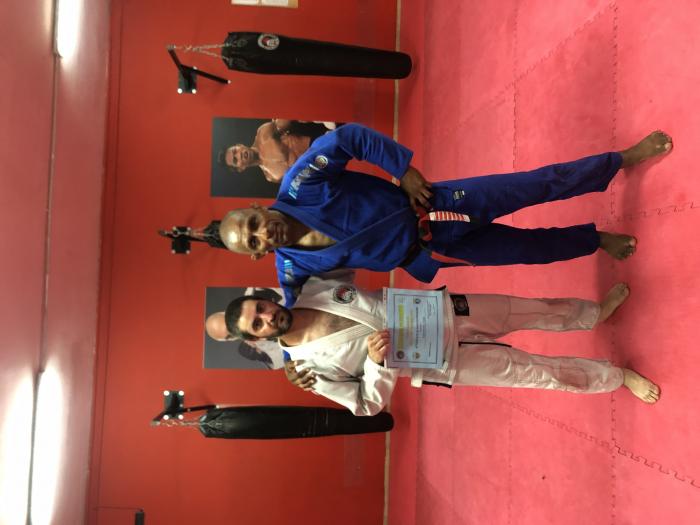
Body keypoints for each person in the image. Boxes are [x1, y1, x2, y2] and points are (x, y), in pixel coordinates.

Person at [217, 124, 673, 306]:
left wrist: (404, 170)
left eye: (253, 223)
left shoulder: (299, 185)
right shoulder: (291, 268)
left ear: (257, 207)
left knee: (536, 184)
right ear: (258, 255)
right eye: (254, 242)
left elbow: (348, 138)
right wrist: (290, 357)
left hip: (432, 202)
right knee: (527, 250)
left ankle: (619, 160)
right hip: (431, 251)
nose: (263, 233)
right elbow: (289, 309)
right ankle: (594, 240)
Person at [224, 274, 660, 416]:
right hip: (439, 362)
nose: (267, 317)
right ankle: (615, 377)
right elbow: (366, 405)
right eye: (257, 325)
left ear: (265, 298)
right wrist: (375, 363)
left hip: (442, 312)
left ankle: (593, 314)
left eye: (260, 308)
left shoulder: (312, 288)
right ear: (257, 339)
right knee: (534, 373)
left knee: (532, 309)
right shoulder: (307, 369)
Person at [219, 119, 334, 183]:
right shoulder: (272, 176)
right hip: (322, 164)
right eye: (235, 160)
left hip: (320, 141)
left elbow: (287, 118)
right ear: (241, 168)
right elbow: (299, 179)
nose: (239, 155)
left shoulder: (263, 135)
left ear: (239, 145)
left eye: (235, 151)